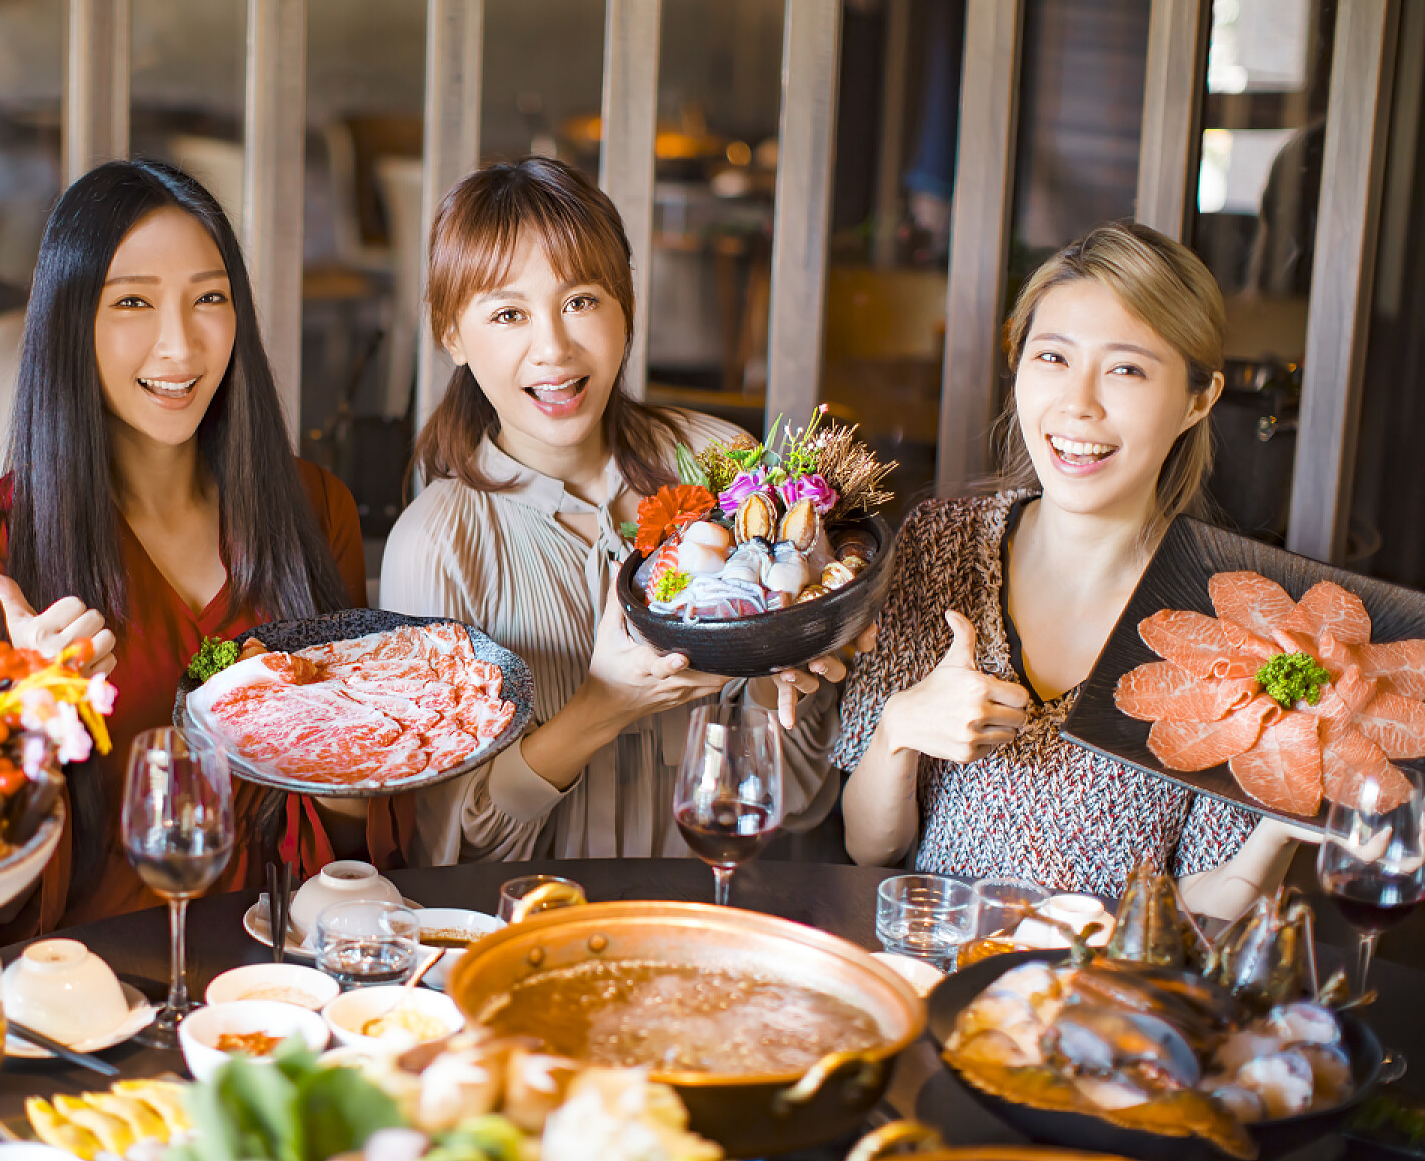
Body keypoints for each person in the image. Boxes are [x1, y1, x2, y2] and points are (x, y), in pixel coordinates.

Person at [0, 159, 410, 938]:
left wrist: (347, 764)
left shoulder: (317, 510)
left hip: (276, 982)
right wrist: (28, 722)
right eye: (133, 303)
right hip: (81, 998)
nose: (179, 345)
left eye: (208, 298)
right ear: (71, 321)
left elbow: (351, 853)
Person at [381, 157, 856, 864]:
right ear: (452, 334)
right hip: (534, 931)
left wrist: (785, 678)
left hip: (720, 912)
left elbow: (803, 796)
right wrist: (604, 705)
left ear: (625, 305)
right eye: (508, 314)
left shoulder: (721, 463)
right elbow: (451, 850)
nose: (553, 348)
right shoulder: (436, 544)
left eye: (581, 301)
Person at [837, 220, 1306, 917]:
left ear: (1199, 399)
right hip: (935, 975)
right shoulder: (941, 541)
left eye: (1126, 368)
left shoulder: (1228, 615)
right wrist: (900, 727)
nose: (1078, 404)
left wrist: (1294, 812)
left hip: (1106, 1005)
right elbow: (871, 848)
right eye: (1053, 357)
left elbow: (1210, 899)